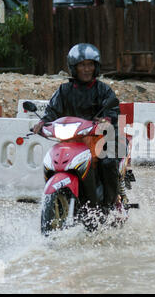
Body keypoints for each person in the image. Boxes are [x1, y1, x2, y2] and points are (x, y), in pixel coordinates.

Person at [33, 43, 122, 207]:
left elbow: (114, 110)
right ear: (74, 68)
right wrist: (42, 122)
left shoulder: (103, 89)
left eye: (90, 65)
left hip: (101, 139)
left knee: (108, 162)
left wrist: (107, 120)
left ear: (96, 67)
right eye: (82, 65)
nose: (87, 69)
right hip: (74, 140)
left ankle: (109, 203)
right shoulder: (64, 90)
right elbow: (52, 111)